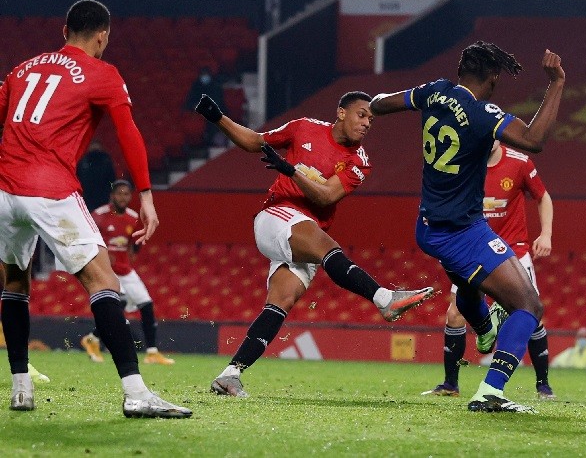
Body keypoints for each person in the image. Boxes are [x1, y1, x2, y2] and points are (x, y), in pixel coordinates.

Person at [0, 0, 191, 418]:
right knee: (104, 281)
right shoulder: (102, 73)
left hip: (5, 191)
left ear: (64, 30)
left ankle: (20, 388)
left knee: (14, 283)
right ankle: (136, 393)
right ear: (102, 36)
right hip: (50, 189)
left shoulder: (22, 69)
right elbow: (128, 133)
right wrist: (146, 195)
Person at [193, 91, 435, 397]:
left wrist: (290, 170)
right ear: (341, 112)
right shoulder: (304, 127)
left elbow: (326, 196)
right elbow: (257, 142)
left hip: (306, 235)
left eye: (371, 120)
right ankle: (384, 298)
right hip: (276, 216)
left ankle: (230, 375)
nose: (367, 123)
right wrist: (217, 117)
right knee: (327, 247)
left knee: (280, 302)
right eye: (362, 115)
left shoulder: (359, 162)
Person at [370, 41, 565, 413]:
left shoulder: (433, 92)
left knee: (470, 287)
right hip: (461, 231)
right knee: (529, 305)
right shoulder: (481, 112)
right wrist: (556, 83)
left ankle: (485, 330)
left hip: (429, 226)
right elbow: (534, 140)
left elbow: (380, 104)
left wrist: (375, 104)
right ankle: (491, 390)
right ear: (492, 77)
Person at [422, 141, 556, 399]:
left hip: (513, 252)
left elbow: (543, 196)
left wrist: (546, 234)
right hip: (473, 250)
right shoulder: (463, 163)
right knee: (454, 314)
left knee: (531, 313)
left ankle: (543, 386)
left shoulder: (519, 162)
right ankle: (450, 384)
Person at [80, 179, 174, 365]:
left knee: (146, 305)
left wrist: (130, 253)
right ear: (112, 195)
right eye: (119, 193)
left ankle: (152, 352)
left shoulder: (133, 217)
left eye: (126, 194)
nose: (123, 197)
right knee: (118, 304)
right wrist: (102, 255)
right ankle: (93, 339)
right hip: (107, 271)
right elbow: (87, 240)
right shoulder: (99, 215)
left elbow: (133, 243)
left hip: (126, 270)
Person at [184, 66, 227, 146]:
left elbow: (219, 102)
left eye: (206, 74)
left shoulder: (215, 86)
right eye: (203, 74)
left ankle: (213, 140)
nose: (205, 77)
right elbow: (191, 101)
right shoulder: (196, 86)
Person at [76, 139, 116, 211]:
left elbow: (112, 179)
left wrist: (112, 192)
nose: (94, 147)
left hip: (103, 196)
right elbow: (78, 178)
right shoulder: (84, 161)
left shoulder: (106, 161)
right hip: (87, 196)